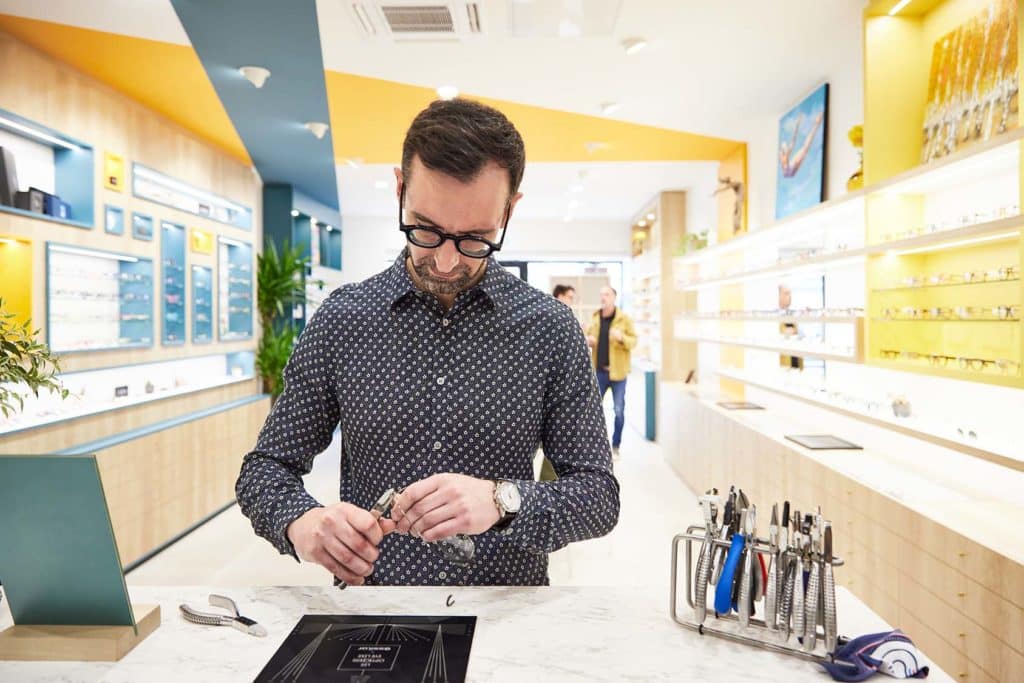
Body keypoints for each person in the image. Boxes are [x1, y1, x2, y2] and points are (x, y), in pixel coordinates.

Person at [236, 98, 620, 587]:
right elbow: (265, 469)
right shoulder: (343, 319)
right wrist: (303, 524)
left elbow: (598, 497)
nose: (443, 262)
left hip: (506, 618)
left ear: (510, 209)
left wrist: (504, 501)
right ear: (400, 188)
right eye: (425, 229)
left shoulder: (549, 328)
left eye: (476, 238)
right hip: (373, 619)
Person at [585, 286, 637, 457]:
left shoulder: (624, 319)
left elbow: (634, 341)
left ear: (614, 297)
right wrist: (590, 341)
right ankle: (596, 448)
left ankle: (615, 446)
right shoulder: (595, 317)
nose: (603, 297)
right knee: (592, 411)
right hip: (598, 372)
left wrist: (622, 338)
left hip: (618, 373)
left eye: (606, 294)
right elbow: (591, 339)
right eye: (601, 294)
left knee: (619, 410)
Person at [779, 111, 823, 178]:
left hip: (790, 170)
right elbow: (793, 142)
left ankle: (816, 124)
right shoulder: (784, 156)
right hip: (790, 170)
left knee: (804, 149)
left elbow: (793, 140)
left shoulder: (786, 157)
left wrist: (797, 124)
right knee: (805, 149)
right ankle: (816, 124)